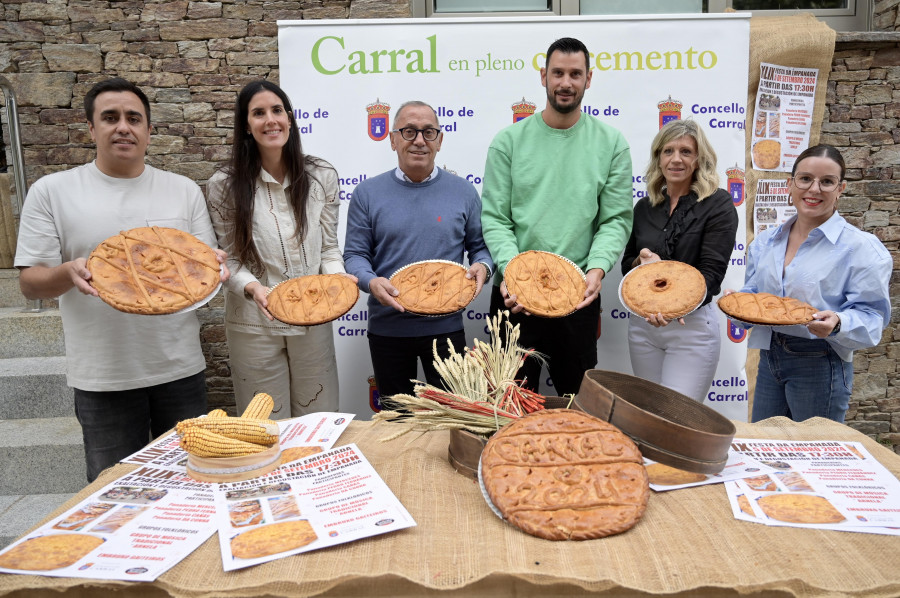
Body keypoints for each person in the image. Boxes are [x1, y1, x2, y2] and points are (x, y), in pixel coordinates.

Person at [15, 77, 229, 482]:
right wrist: (66, 272)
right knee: (116, 493)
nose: (123, 127)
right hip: (103, 376)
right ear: (91, 129)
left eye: (134, 118)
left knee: (196, 483)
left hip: (179, 369)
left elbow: (205, 276)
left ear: (149, 130)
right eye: (110, 118)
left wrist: (213, 270)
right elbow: (30, 283)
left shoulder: (182, 190)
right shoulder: (53, 191)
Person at [480, 37, 633, 397]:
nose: (566, 82)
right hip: (513, 297)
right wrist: (516, 275)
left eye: (575, 74)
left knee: (576, 406)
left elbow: (615, 220)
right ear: (543, 76)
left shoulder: (611, 143)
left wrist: (596, 270)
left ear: (589, 79)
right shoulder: (509, 142)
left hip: (578, 296)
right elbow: (495, 218)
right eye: (558, 73)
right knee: (507, 408)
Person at [206, 80, 354, 418]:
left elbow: (329, 249)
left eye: (277, 110)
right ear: (246, 125)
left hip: (313, 319)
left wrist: (340, 284)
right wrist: (254, 288)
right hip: (254, 324)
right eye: (258, 113)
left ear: (289, 117)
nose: (270, 120)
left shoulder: (321, 175)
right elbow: (230, 261)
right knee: (265, 425)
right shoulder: (223, 185)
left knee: (319, 420)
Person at [343, 100, 493, 399]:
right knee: (397, 422)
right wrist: (370, 282)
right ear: (393, 139)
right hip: (388, 330)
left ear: (440, 141)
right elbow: (355, 255)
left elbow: (480, 248)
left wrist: (484, 267)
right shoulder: (366, 194)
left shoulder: (463, 192)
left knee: (453, 420)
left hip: (447, 329)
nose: (419, 140)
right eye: (409, 131)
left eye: (428, 132)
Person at [736, 144, 891, 423]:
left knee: (815, 454)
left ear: (841, 189)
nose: (814, 189)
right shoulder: (765, 242)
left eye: (827, 182)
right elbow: (755, 297)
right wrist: (738, 305)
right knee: (768, 451)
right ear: (790, 185)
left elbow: (873, 318)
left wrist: (839, 322)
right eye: (805, 179)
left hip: (821, 360)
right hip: (770, 357)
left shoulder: (861, 248)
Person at [621, 119, 739, 402]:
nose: (676, 159)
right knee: (647, 413)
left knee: (677, 417)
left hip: (691, 328)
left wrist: (670, 301)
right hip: (644, 326)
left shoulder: (718, 204)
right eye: (668, 151)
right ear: (658, 158)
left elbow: (711, 275)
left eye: (686, 151)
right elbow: (627, 265)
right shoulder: (645, 207)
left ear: (699, 159)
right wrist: (642, 261)